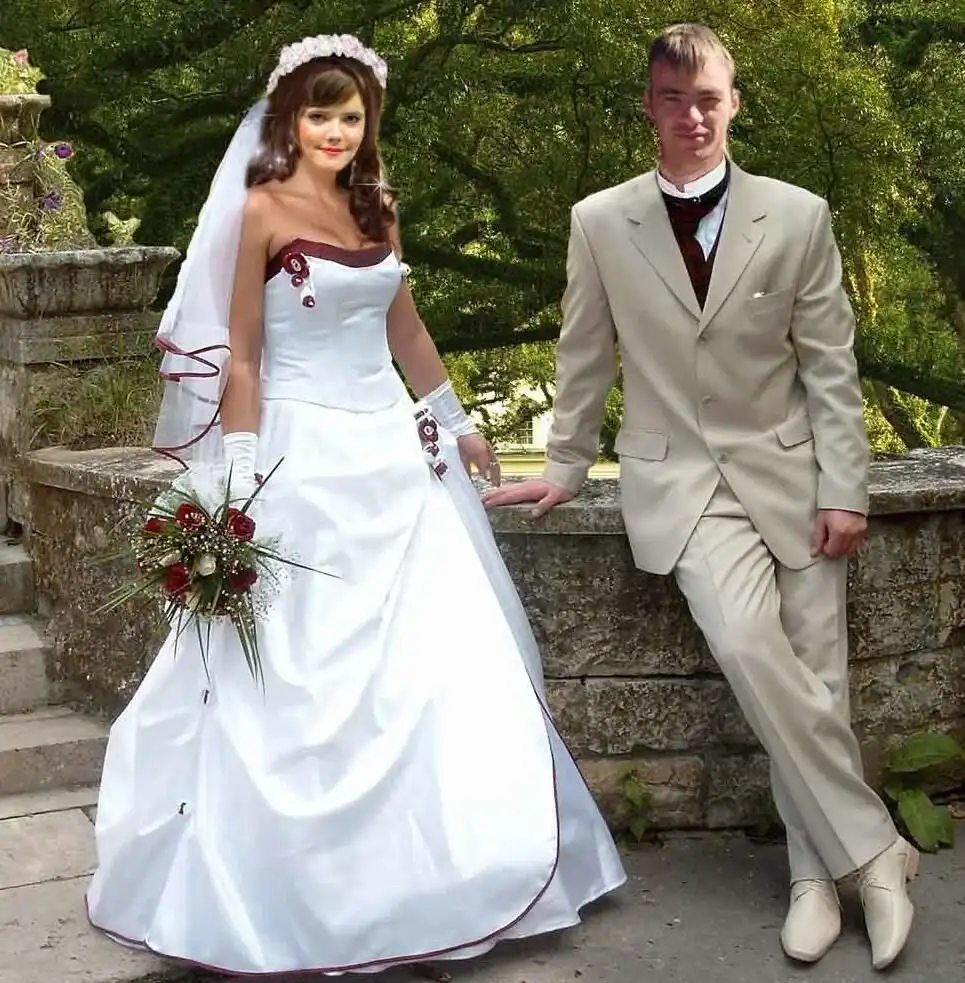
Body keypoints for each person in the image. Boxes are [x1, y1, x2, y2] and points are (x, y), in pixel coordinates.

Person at [85, 34, 625, 978]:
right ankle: (285, 893)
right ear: (289, 118)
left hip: (390, 455)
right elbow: (244, 354)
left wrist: (457, 422)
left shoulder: (379, 204)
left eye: (351, 115)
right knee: (292, 671)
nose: (336, 131)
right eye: (319, 114)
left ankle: (448, 874)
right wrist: (239, 470)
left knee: (432, 665)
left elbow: (402, 324)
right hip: (298, 455)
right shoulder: (260, 208)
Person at [484, 22, 917, 972]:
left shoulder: (797, 215)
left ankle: (815, 878)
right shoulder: (600, 221)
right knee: (747, 644)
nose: (692, 116)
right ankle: (877, 848)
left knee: (817, 682)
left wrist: (845, 487)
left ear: (733, 103)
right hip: (682, 482)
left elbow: (829, 367)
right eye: (673, 100)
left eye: (707, 98)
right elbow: (583, 353)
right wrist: (564, 464)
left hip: (795, 477)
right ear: (649, 106)